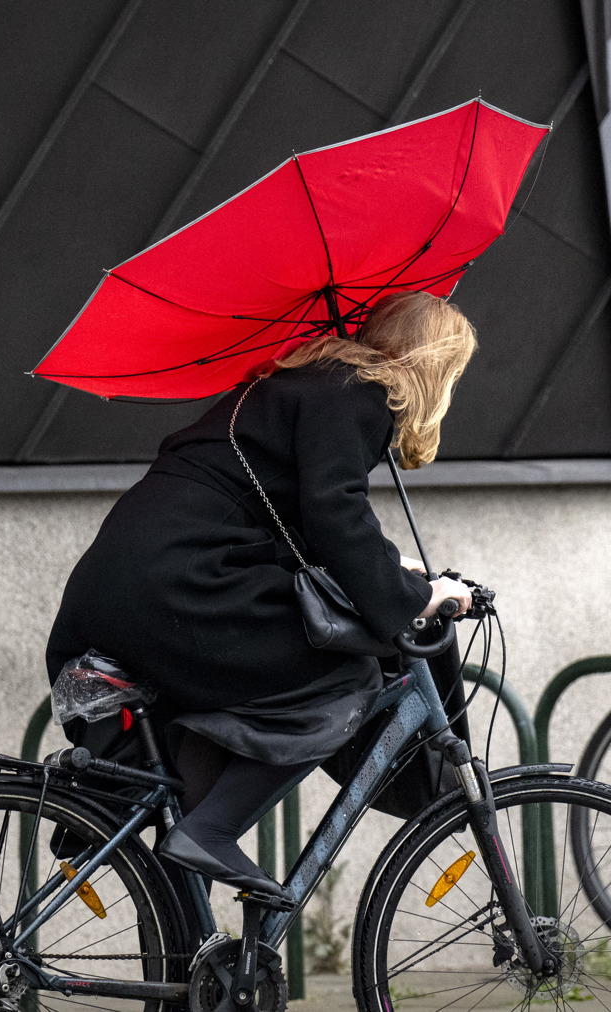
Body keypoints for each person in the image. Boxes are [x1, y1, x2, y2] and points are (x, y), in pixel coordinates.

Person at [45, 290, 476, 898]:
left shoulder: (299, 383)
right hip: (183, 583)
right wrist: (415, 599)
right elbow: (336, 515)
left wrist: (395, 567)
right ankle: (211, 831)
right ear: (433, 364)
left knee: (236, 700)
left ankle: (181, 907)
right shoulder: (358, 391)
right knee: (343, 677)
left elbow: (297, 516)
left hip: (130, 580)